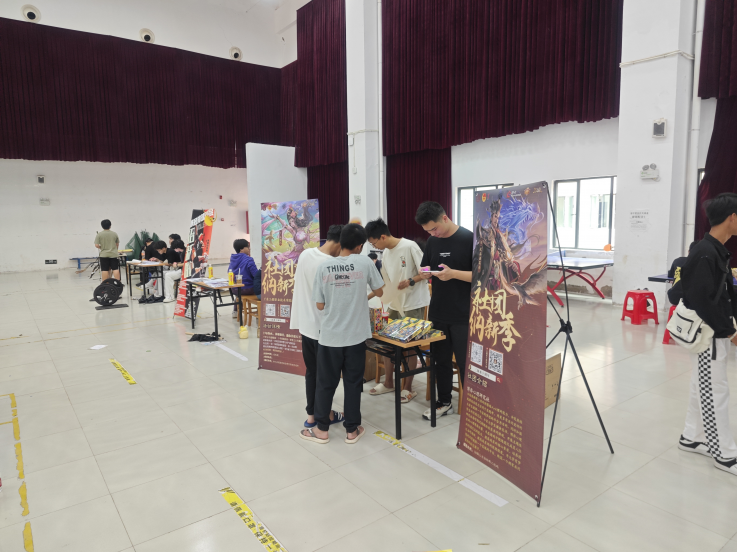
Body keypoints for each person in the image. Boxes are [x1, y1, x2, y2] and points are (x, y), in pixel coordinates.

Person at [300, 224, 384, 445]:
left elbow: (319, 305)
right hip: (356, 337)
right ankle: (352, 431)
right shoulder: (366, 262)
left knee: (325, 383)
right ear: (360, 246)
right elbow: (379, 291)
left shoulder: (324, 267)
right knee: (353, 383)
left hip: (330, 337)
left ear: (340, 242)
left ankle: (321, 431)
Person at [679, 193, 737, 475]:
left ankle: (691, 436)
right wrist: (729, 332)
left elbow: (721, 295)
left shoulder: (715, 249)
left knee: (702, 384)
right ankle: (723, 453)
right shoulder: (705, 252)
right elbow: (701, 300)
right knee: (715, 390)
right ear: (732, 218)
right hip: (708, 335)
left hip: (715, 332)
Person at [415, 201, 473, 420]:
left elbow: (483, 276)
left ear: (445, 218)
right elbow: (426, 267)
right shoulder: (432, 241)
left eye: (434, 228)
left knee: (466, 362)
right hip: (438, 310)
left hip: (463, 313)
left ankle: (473, 407)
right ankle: (444, 402)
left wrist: (454, 274)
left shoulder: (469, 239)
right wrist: (424, 273)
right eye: (428, 231)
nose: (433, 234)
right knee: (441, 361)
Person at [365, 217, 430, 402]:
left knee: (409, 347)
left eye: (374, 243)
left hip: (413, 303)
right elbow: (384, 282)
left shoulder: (409, 247)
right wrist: (366, 297)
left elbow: (426, 272)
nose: (375, 247)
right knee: (386, 342)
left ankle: (408, 388)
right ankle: (388, 383)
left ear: (383, 236)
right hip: (395, 303)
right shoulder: (386, 253)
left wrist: (410, 281)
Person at [291, 224, 344, 428]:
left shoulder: (306, 254)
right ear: (340, 243)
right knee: (327, 376)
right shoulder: (331, 264)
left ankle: (312, 416)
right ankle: (326, 416)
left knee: (312, 372)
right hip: (324, 328)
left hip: (306, 326)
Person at [228, 239, 259, 318]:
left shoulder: (232, 259)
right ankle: (259, 313)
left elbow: (229, 272)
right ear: (241, 249)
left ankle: (235, 311)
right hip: (248, 289)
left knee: (238, 294)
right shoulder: (249, 259)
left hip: (234, 289)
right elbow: (256, 275)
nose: (249, 249)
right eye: (247, 247)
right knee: (263, 288)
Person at [668, 240, 698, 306]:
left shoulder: (677, 260)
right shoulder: (701, 264)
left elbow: (670, 275)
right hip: (689, 299)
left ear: (688, 251)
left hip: (673, 297)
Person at [162, 239, 186, 303]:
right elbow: (182, 262)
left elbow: (187, 263)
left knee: (168, 275)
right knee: (163, 274)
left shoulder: (185, 252)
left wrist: (177, 264)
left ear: (177, 248)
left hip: (185, 271)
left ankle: (170, 297)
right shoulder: (182, 252)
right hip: (181, 269)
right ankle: (165, 294)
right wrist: (177, 263)